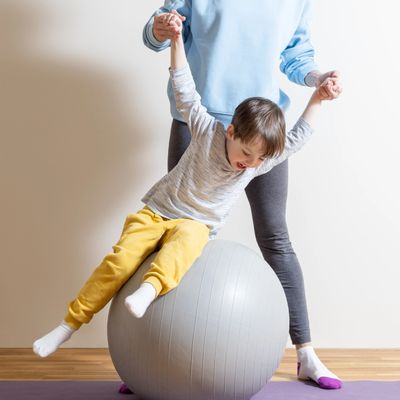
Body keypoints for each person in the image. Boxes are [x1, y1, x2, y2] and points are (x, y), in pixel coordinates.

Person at [33, 13, 338, 384]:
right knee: (133, 255)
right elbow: (176, 70)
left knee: (257, 240)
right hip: (182, 170)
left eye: (254, 163)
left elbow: (299, 125)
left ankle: (305, 353)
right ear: (228, 134)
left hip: (261, 136)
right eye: (245, 158)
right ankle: (120, 347)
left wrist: (319, 91)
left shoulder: (258, 163)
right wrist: (170, 35)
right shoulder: (205, 129)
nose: (247, 167)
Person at [143, 1, 343, 390]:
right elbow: (154, 35)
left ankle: (305, 353)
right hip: (198, 121)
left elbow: (297, 56)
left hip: (262, 133)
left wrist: (318, 78)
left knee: (275, 237)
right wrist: (161, 27)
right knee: (175, 234)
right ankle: (148, 355)